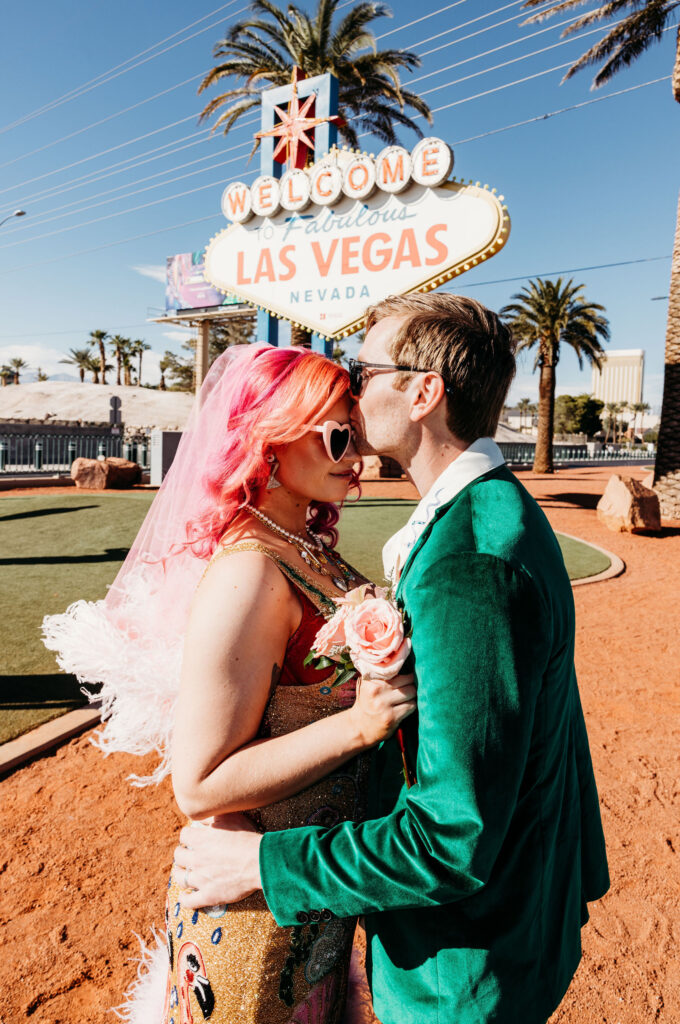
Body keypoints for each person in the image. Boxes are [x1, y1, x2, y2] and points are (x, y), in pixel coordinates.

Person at [174, 293, 610, 1024]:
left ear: (422, 392)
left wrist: (261, 865)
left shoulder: (468, 557)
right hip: (486, 916)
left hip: (462, 956)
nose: (351, 387)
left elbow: (451, 839)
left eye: (364, 368)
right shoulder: (485, 515)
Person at [42, 343, 416, 1024]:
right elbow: (201, 782)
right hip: (253, 915)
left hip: (307, 886)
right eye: (337, 435)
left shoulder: (301, 546)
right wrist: (362, 724)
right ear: (268, 437)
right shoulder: (249, 571)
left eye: (355, 436)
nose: (355, 457)